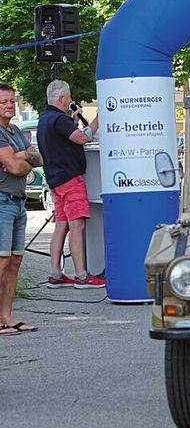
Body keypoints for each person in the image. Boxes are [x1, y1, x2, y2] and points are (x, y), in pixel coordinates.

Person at [36, 80, 104, 289]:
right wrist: (98, 120)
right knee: (77, 224)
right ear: (62, 98)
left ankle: (56, 273)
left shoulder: (45, 119)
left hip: (55, 180)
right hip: (70, 178)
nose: (70, 102)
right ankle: (82, 276)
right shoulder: (59, 119)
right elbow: (82, 139)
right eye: (69, 97)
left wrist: (74, 121)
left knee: (62, 224)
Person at [0, 82, 42, 335]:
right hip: (2, 202)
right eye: (3, 101)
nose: (9, 105)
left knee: (15, 261)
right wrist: (23, 156)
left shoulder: (15, 130)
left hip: (19, 203)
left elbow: (38, 159)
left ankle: (7, 316)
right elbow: (16, 168)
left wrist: (23, 156)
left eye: (11, 101)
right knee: (2, 262)